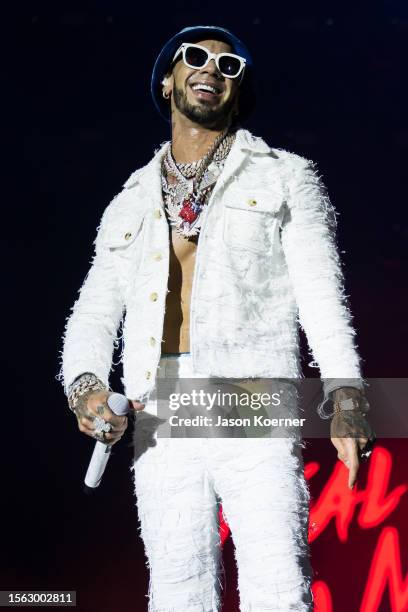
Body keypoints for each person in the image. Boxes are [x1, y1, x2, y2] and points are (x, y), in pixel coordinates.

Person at [57, 25, 376, 611]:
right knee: (177, 593)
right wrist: (85, 387)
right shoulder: (129, 200)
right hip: (160, 408)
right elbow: (94, 312)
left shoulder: (285, 177)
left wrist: (347, 399)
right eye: (197, 58)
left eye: (230, 67)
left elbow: (322, 298)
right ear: (168, 78)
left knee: (278, 588)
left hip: (252, 400)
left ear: (239, 89)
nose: (212, 70)